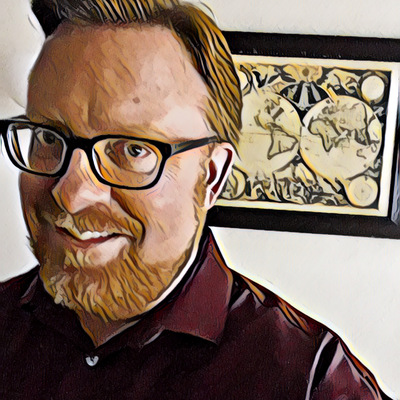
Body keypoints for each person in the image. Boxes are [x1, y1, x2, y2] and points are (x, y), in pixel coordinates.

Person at [0, 0, 390, 399]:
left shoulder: (310, 380)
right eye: (48, 137)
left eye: (133, 150)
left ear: (211, 176)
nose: (71, 194)